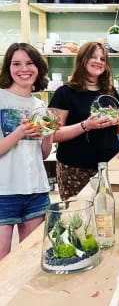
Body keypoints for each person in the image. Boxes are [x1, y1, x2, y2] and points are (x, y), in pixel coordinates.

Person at [49, 42, 119, 200]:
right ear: (82, 60)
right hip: (75, 169)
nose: (99, 61)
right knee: (78, 216)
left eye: (102, 58)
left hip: (107, 166)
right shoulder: (65, 93)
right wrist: (86, 125)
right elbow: (53, 134)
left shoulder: (109, 91)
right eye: (93, 57)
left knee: (106, 212)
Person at [0, 43, 53, 259]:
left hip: (37, 191)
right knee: (3, 259)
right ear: (8, 68)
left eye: (30, 63)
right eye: (17, 63)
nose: (24, 69)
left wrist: (49, 132)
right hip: (4, 191)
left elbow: (42, 154)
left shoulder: (40, 105)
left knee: (30, 258)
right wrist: (19, 133)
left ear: (38, 68)